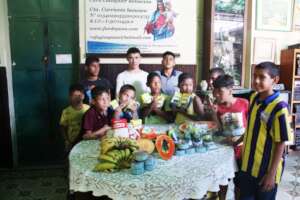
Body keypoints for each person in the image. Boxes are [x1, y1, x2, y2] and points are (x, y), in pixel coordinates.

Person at [239, 62, 291, 200]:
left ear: (275, 80)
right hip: (248, 166)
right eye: (254, 76)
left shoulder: (279, 108)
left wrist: (271, 175)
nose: (256, 81)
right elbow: (252, 127)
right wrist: (237, 141)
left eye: (262, 77)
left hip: (265, 171)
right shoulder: (254, 98)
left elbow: (281, 143)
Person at [212, 75, 249, 200]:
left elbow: (250, 127)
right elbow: (218, 130)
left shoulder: (244, 103)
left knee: (239, 183)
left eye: (220, 91)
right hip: (225, 151)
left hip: (242, 151)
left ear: (230, 90)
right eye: (215, 91)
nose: (216, 94)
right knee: (223, 182)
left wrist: (239, 141)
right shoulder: (218, 108)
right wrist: (213, 113)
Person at [60, 84, 90, 153]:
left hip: (86, 140)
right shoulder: (66, 111)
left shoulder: (88, 108)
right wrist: (66, 140)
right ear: (70, 97)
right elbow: (62, 127)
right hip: (72, 141)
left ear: (83, 96)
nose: (77, 98)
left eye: (79, 96)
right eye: (74, 96)